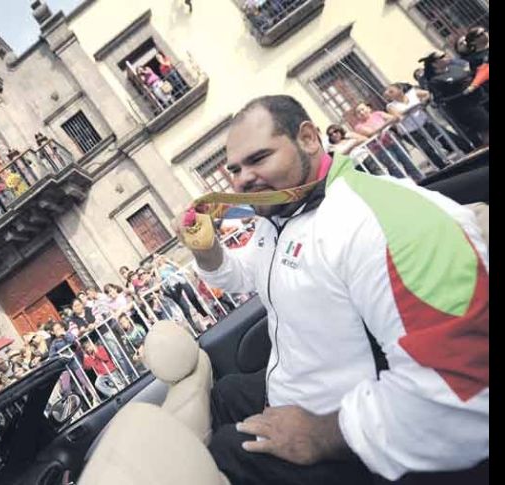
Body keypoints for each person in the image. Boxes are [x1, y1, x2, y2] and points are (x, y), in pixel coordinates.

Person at [172, 95, 488, 484]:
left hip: (359, 436)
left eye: (258, 159)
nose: (241, 180)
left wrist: (322, 435)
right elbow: (245, 278)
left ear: (307, 139)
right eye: (234, 170)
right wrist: (206, 251)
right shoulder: (278, 216)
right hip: (297, 389)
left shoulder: (379, 223)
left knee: (223, 450)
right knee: (225, 393)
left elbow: (467, 392)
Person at [383, 83, 466, 170]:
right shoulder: (391, 106)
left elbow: (427, 94)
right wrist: (412, 109)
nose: (389, 94)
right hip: (410, 131)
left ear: (400, 89)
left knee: (445, 135)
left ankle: (466, 148)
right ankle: (443, 166)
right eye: (388, 94)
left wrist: (423, 102)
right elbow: (398, 116)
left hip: (424, 122)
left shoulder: (412, 93)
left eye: (391, 91)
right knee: (426, 148)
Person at [420, 52, 488, 146]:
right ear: (434, 64)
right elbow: (439, 100)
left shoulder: (455, 68)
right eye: (442, 57)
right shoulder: (435, 80)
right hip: (465, 108)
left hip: (480, 99)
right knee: (485, 127)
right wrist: (462, 94)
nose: (446, 57)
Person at [352, 102, 424, 181]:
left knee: (408, 161)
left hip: (393, 141)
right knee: (395, 168)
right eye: (358, 112)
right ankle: (405, 187)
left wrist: (391, 120)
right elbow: (372, 132)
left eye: (362, 109)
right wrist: (387, 123)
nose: (362, 112)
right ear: (356, 116)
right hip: (380, 149)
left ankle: (421, 180)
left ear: (368, 108)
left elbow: (394, 118)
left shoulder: (378, 114)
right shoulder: (359, 127)